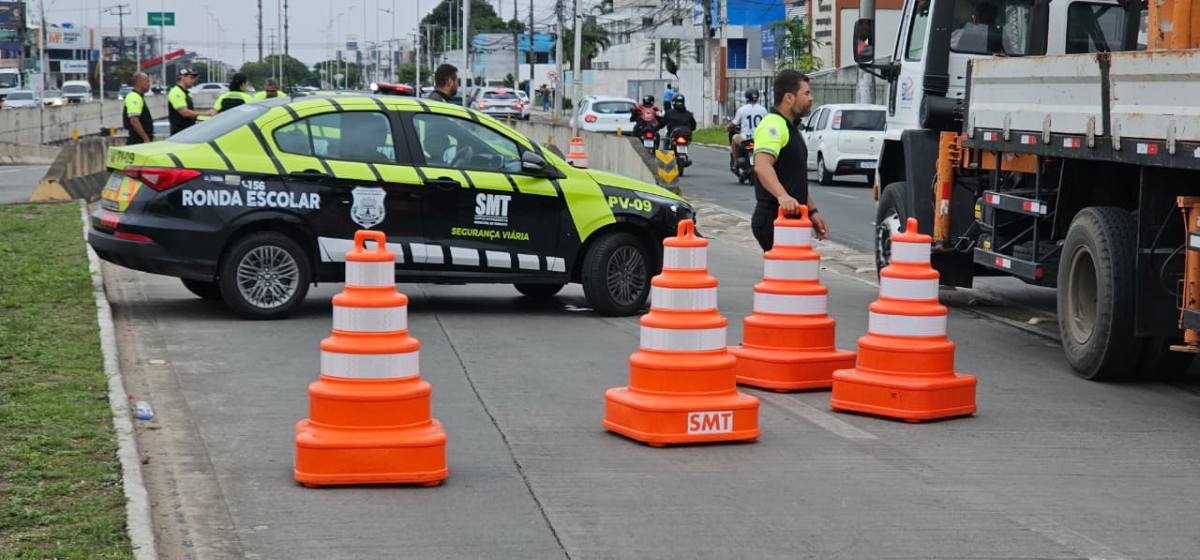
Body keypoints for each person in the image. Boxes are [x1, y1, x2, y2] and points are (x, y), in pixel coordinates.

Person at [751, 69, 828, 251]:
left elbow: (794, 178)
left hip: (792, 219)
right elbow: (762, 166)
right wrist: (782, 196)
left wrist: (812, 211)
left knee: (796, 275)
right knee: (789, 275)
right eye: (806, 93)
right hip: (774, 218)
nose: (811, 99)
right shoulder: (773, 125)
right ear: (789, 97)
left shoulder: (791, 128)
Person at [726, 88, 768, 169]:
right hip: (758, 141)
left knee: (734, 138)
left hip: (746, 141)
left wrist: (728, 127)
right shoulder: (763, 110)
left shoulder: (742, 109)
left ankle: (735, 163)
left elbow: (734, 124)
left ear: (746, 97)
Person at [167, 68, 211, 135]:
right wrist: (206, 114)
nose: (193, 80)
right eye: (191, 77)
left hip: (187, 132)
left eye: (194, 78)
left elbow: (192, 114)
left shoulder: (186, 93)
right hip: (179, 134)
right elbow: (185, 113)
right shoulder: (176, 92)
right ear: (182, 77)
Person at [123, 72, 154, 145]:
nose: (149, 84)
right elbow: (134, 121)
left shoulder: (139, 97)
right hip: (137, 141)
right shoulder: (134, 97)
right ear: (139, 82)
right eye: (147, 81)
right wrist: (145, 139)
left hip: (140, 141)